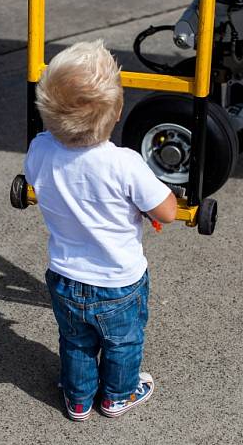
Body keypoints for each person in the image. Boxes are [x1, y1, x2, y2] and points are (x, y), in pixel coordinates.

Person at [24, 39, 177, 421]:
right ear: (118, 110)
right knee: (122, 344)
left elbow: (36, 177)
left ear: (45, 111)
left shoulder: (40, 150)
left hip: (64, 276)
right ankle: (117, 396)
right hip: (118, 283)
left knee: (75, 342)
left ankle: (77, 399)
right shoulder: (124, 164)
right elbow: (168, 211)